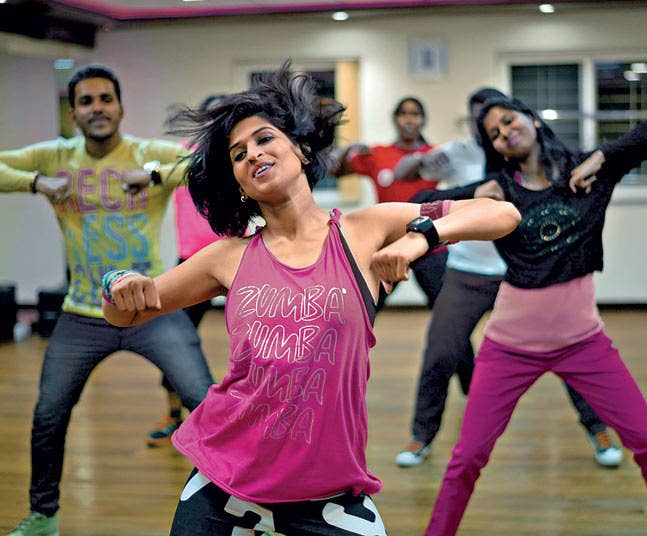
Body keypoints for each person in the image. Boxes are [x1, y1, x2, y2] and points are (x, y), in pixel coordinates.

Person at [100, 63, 521, 535]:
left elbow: (500, 212)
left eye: (263, 139)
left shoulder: (363, 230)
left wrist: (420, 237)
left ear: (300, 149)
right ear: (238, 182)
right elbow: (127, 311)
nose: (252, 155)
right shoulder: (227, 257)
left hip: (327, 491)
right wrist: (118, 281)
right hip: (225, 481)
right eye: (238, 154)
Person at [0, 65, 215, 536]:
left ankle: (239, 506)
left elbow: (208, 161)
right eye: (86, 101)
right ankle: (43, 517)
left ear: (119, 107)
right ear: (74, 112)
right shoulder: (56, 157)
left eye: (105, 99)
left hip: (153, 308)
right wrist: (37, 183)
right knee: (48, 415)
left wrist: (155, 175)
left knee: (206, 404)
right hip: (82, 314)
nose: (96, 108)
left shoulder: (145, 152)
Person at [423, 96, 647, 535]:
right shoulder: (499, 192)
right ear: (496, 148)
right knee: (467, 458)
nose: (505, 131)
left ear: (530, 118)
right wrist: (467, 196)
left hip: (584, 343)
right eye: (494, 133)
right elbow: (421, 202)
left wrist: (604, 155)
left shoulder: (591, 171)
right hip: (509, 349)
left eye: (509, 119)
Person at [393, 88, 622, 469]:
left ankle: (597, 428)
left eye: (504, 118)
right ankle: (421, 436)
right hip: (468, 272)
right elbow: (417, 187)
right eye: (487, 123)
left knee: (569, 349)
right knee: (441, 351)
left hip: (523, 277)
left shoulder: (534, 159)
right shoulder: (460, 153)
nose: (500, 129)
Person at [147, 94, 225, 448]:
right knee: (175, 340)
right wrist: (144, 176)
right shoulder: (183, 154)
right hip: (192, 262)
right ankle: (174, 413)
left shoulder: (237, 156)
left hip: (236, 258)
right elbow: (152, 169)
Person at [330, 97, 448, 310]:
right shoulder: (378, 154)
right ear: (395, 120)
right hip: (388, 243)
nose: (409, 120)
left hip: (429, 242)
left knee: (446, 313)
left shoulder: (433, 155)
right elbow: (336, 171)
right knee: (366, 308)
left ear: (423, 121)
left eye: (415, 114)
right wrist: (350, 149)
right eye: (403, 114)